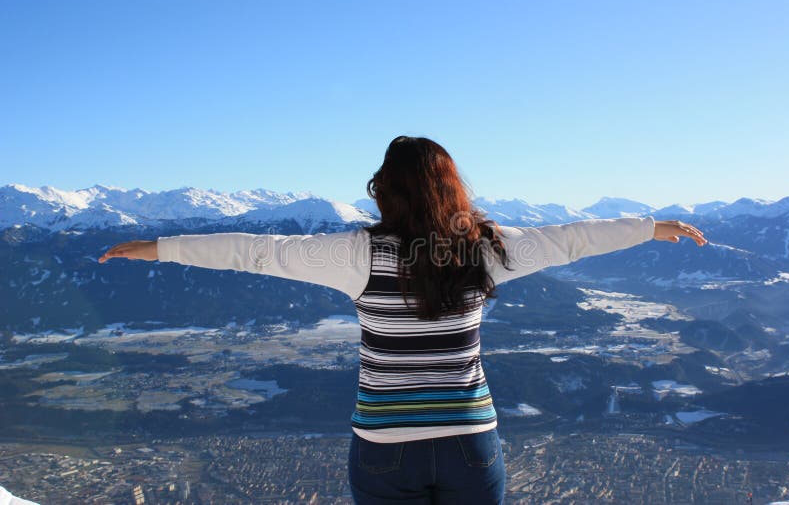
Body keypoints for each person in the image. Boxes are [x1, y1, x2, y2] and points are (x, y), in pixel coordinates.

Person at [99, 135, 707, 504]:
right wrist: (650, 228)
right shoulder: (489, 249)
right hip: (470, 439)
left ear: (384, 191)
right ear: (452, 190)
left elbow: (255, 252)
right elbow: (573, 239)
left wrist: (157, 247)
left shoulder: (356, 254)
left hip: (384, 445)